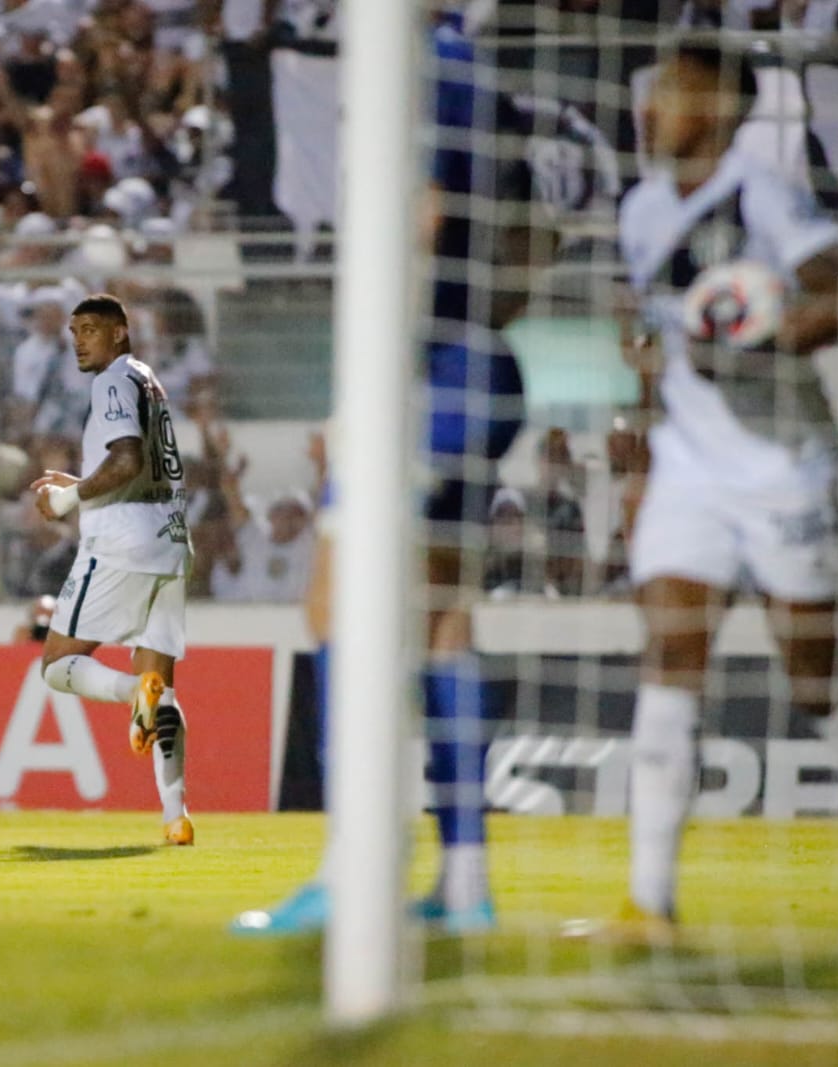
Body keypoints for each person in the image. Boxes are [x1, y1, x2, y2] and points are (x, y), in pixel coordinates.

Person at [606, 41, 838, 942]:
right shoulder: (639, 210)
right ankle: (650, 900)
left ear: (715, 108)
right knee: (670, 655)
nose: (649, 111)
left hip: (784, 468)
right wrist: (636, 424)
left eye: (668, 95)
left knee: (815, 679)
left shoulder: (760, 194)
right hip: (689, 466)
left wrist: (785, 332)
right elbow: (655, 331)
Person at [233, 11, 551, 936]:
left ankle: (351, 871)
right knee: (443, 622)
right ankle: (462, 882)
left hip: (416, 373)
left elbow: (423, 212)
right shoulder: (481, 76)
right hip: (481, 364)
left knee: (338, 609)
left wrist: (386, 371)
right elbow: (532, 242)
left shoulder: (412, 62)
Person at [31, 294, 195, 846]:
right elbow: (132, 460)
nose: (79, 339)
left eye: (92, 329)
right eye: (74, 330)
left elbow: (126, 459)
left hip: (122, 542)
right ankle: (176, 817)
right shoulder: (147, 380)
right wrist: (80, 483)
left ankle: (131, 693)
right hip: (171, 539)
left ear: (120, 333)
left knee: (56, 664)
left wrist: (70, 498)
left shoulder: (111, 382)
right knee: (163, 691)